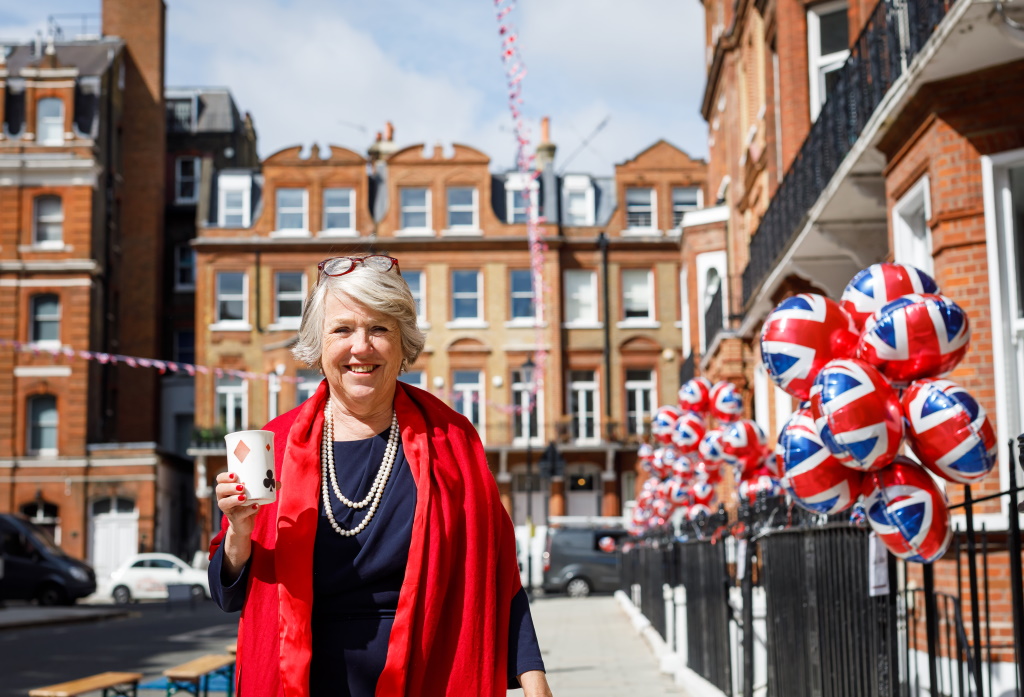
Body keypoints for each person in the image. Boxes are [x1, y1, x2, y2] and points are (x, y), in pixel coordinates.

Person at [209, 254, 552, 697]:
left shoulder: (451, 438)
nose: (361, 346)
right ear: (316, 345)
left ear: (403, 342)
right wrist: (239, 532)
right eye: (342, 329)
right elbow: (228, 595)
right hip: (299, 680)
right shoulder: (275, 443)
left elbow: (498, 572)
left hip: (430, 674)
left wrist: (534, 680)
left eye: (379, 328)